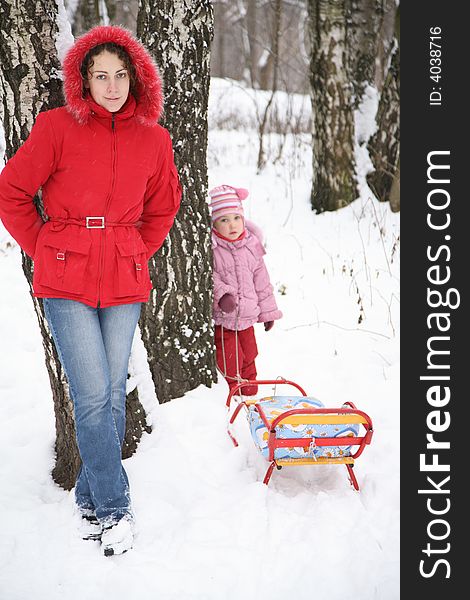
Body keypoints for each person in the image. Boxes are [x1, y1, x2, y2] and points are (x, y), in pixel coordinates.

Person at [0, 26, 182, 556]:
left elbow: (164, 206)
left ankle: (88, 492)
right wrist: (46, 245)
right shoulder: (56, 127)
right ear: (82, 80)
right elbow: (12, 191)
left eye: (120, 75)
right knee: (93, 395)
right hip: (67, 274)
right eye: (99, 75)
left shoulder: (155, 138)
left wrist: (134, 248)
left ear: (136, 79)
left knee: (113, 392)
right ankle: (114, 508)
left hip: (124, 275)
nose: (111, 85)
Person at [209, 184, 282, 396]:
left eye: (236, 218)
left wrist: (268, 312)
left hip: (248, 319)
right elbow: (208, 277)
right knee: (229, 360)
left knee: (250, 354)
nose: (232, 224)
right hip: (225, 321)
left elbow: (262, 281)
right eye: (224, 220)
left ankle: (250, 395)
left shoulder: (251, 246)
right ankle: (232, 397)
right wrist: (222, 295)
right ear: (214, 224)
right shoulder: (213, 248)